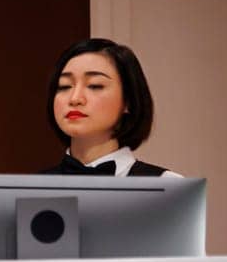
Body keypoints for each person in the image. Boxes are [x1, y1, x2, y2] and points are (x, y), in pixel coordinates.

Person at [40, 38, 179, 176]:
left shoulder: (168, 186)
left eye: (95, 85)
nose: (75, 98)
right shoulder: (32, 189)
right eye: (64, 86)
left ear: (128, 101)